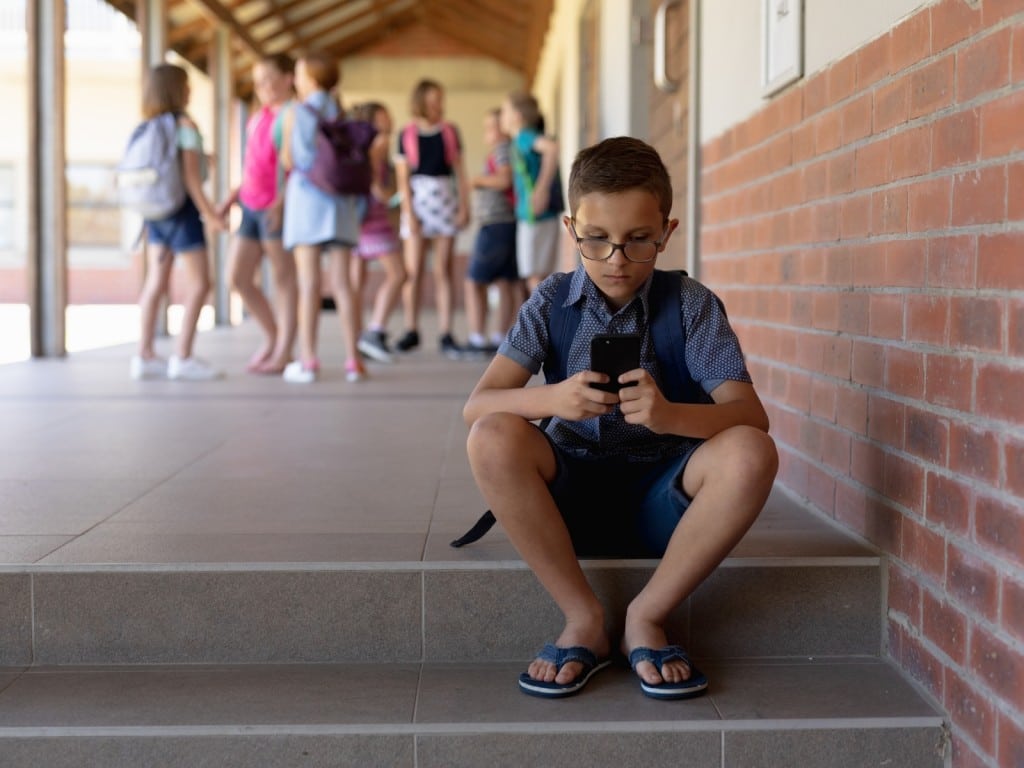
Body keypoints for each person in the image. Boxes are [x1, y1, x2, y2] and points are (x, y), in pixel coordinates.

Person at [463, 137, 779, 700]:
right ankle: (582, 615)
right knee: (492, 437)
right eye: (597, 240)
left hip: (669, 507)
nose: (617, 260)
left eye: (638, 241)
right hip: (568, 503)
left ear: (667, 231)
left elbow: (749, 417)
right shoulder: (550, 301)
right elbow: (478, 405)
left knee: (751, 453)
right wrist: (553, 399)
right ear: (570, 229)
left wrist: (669, 414)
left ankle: (646, 617)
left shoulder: (690, 304)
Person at [131, 63, 226, 381]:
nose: (190, 91)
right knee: (201, 282)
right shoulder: (185, 124)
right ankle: (183, 355)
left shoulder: (151, 125)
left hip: (155, 213)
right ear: (178, 89)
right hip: (182, 212)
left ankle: (144, 355)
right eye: (186, 85)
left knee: (156, 281)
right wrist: (211, 214)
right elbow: (190, 179)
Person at [277, 52, 367, 383]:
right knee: (343, 284)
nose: (295, 80)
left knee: (309, 283)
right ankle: (353, 360)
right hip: (340, 206)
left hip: (307, 205)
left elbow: (293, 159)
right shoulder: (342, 112)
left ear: (311, 79)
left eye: (299, 74)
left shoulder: (298, 112)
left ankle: (309, 360)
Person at [216, 54, 297, 375]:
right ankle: (273, 337)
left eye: (269, 79)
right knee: (236, 277)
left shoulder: (293, 115)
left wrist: (282, 202)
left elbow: (298, 167)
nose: (263, 86)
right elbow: (252, 167)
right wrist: (231, 197)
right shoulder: (257, 118)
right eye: (259, 80)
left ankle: (284, 350)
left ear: (288, 78)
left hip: (278, 207)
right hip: (250, 205)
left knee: (284, 280)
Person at [393, 79, 470, 358]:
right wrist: (409, 212)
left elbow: (460, 173)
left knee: (443, 270)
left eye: (440, 97)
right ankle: (411, 328)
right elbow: (403, 178)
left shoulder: (450, 132)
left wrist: (464, 205)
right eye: (433, 98)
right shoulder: (407, 133)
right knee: (413, 271)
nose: (438, 103)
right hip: (418, 202)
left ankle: (446, 332)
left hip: (444, 201)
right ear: (421, 101)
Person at [350, 102, 405, 364]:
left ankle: (358, 338)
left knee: (355, 283)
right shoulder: (376, 145)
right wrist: (393, 197)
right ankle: (374, 331)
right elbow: (375, 186)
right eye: (384, 116)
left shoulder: (362, 145)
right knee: (398, 273)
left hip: (356, 220)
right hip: (372, 220)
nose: (390, 119)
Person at [464, 108, 521, 356]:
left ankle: (477, 338)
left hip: (495, 224)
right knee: (505, 281)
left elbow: (503, 180)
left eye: (492, 127)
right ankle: (500, 336)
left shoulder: (501, 150)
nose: (488, 132)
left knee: (474, 282)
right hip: (508, 223)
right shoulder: (508, 150)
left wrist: (477, 181)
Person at [500, 92, 562, 293]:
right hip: (536, 214)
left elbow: (552, 149)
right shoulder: (520, 140)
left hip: (535, 215)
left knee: (534, 276)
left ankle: (542, 322)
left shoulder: (524, 137)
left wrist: (541, 190)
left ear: (517, 116)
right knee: (539, 276)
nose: (502, 116)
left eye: (504, 111)